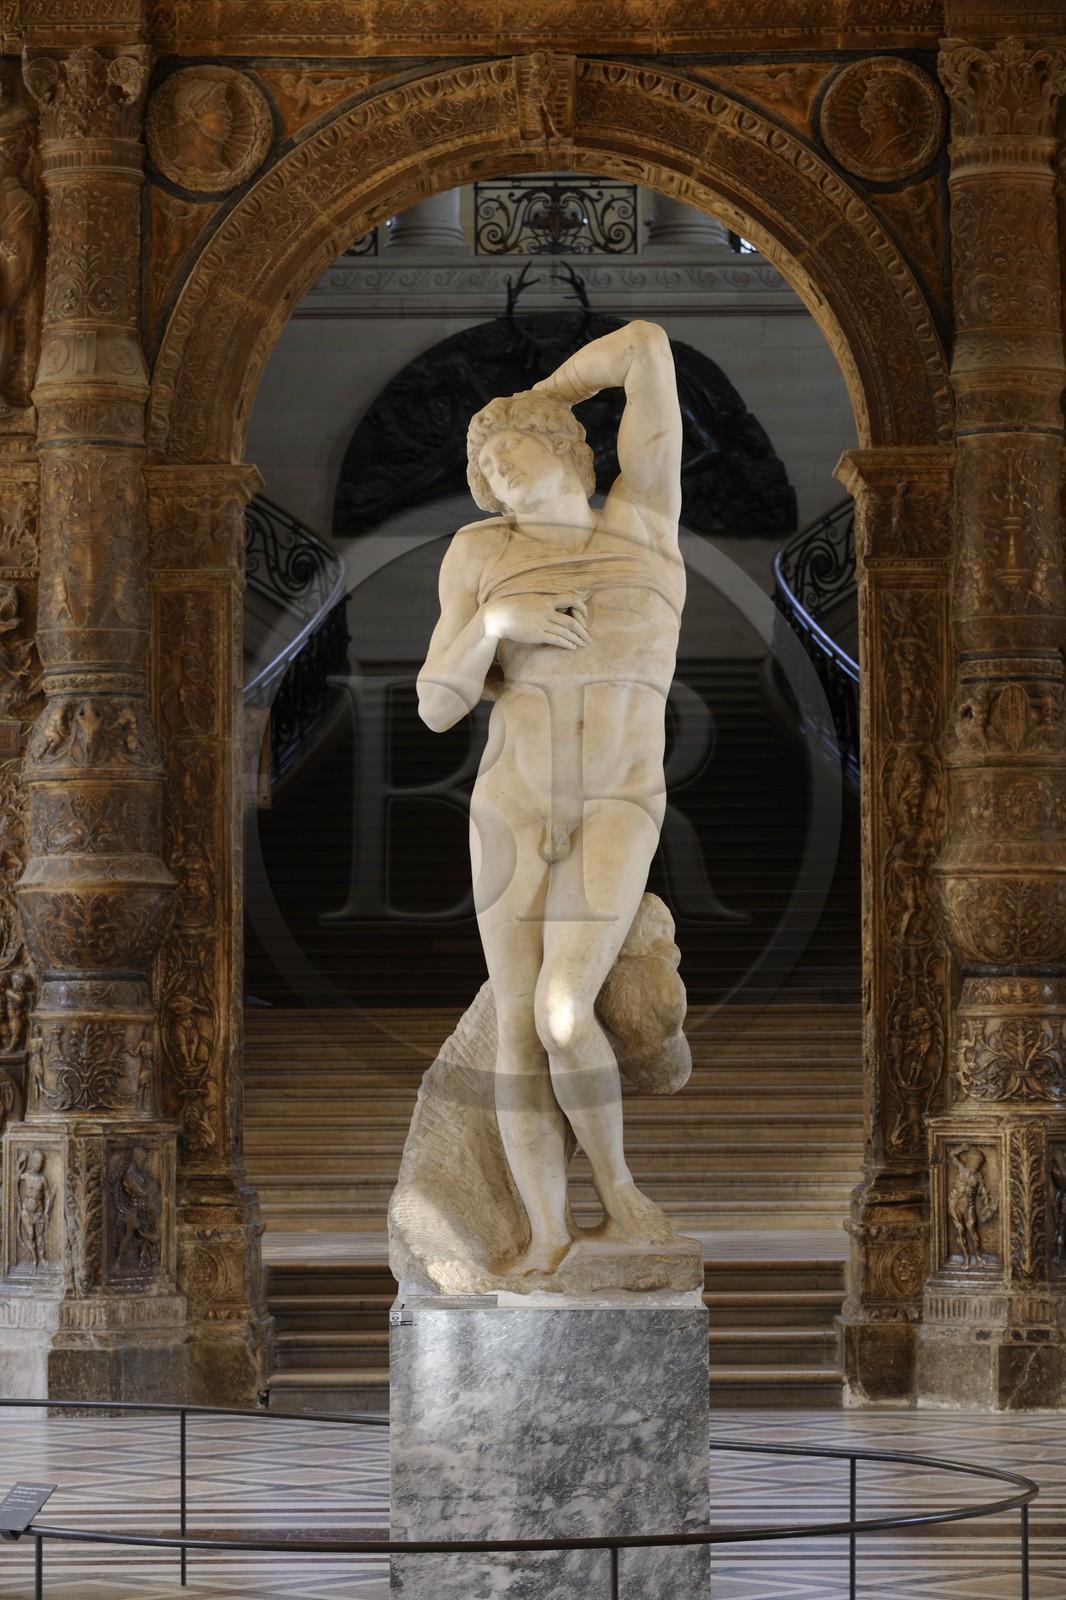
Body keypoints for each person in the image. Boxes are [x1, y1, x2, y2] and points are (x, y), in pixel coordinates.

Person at [417, 320, 685, 1278]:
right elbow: (437, 705)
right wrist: (495, 623)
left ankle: (617, 1188)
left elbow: (645, 345)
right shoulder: (478, 553)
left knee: (568, 1010)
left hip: (617, 797)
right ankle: (547, 1233)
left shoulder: (644, 518)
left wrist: (540, 398)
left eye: (507, 451)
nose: (493, 475)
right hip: (512, 804)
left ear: (568, 445)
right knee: (522, 1030)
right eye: (482, 467)